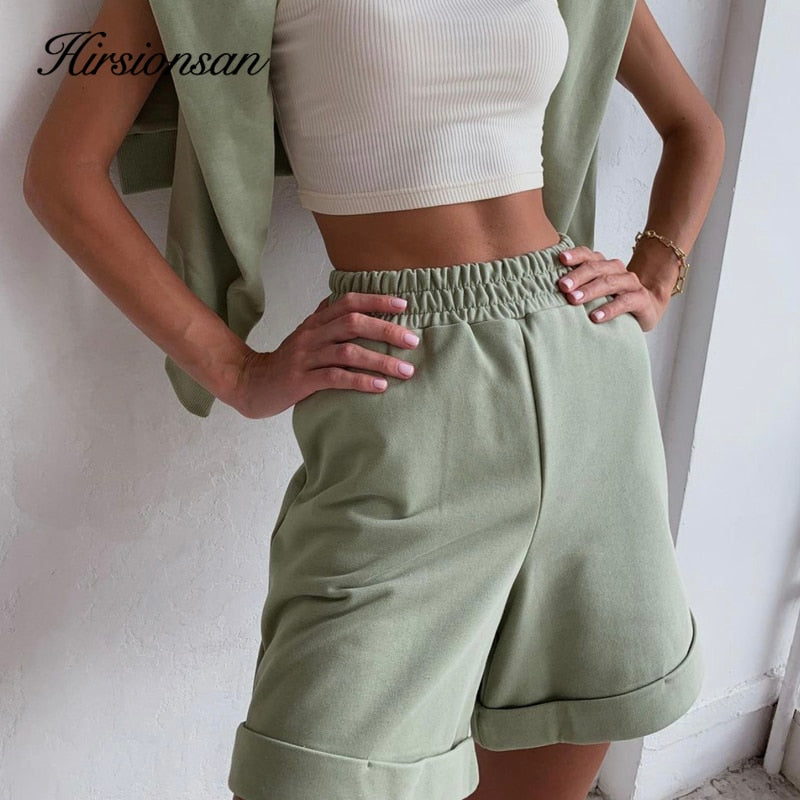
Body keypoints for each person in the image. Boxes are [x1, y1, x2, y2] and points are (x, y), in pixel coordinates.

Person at [23, 0, 725, 798]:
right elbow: (61, 174)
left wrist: (655, 274)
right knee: (312, 771)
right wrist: (238, 371)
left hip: (588, 379)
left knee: (554, 753)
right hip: (404, 399)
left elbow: (695, 128)